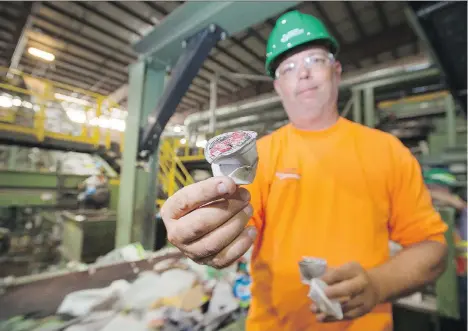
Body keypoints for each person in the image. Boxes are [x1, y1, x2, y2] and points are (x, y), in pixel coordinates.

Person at [161, 11, 448, 331]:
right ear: (278, 86)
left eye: (314, 59)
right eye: (289, 67)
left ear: (336, 70)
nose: (303, 74)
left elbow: (432, 247)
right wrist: (199, 231)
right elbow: (232, 226)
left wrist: (378, 284)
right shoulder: (259, 157)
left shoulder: (388, 151)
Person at [423, 167, 467, 324]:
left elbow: (460, 206)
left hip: (460, 279)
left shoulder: (460, 211)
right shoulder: (427, 213)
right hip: (441, 281)